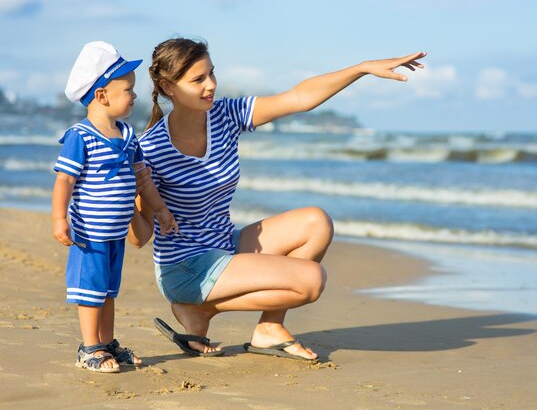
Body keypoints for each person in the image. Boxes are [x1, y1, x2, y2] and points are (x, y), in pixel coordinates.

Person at [129, 37, 425, 361]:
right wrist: (127, 191)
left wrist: (363, 68)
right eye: (198, 79)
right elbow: (140, 237)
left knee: (316, 222)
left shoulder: (225, 116)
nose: (211, 85)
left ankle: (268, 329)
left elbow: (299, 97)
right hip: (185, 269)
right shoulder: (150, 149)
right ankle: (195, 308)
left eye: (212, 74)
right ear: (169, 87)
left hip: (225, 245)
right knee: (310, 281)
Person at [52, 41, 178, 373]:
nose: (135, 95)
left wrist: (162, 211)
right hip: (89, 236)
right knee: (90, 292)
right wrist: (59, 219)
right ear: (102, 95)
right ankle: (89, 347)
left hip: (115, 235)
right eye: (128, 89)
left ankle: (106, 343)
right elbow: (64, 181)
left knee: (108, 292)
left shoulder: (127, 135)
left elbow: (143, 181)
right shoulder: (81, 137)